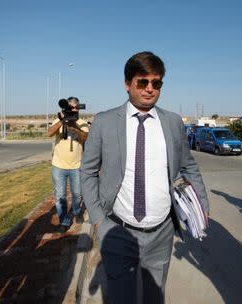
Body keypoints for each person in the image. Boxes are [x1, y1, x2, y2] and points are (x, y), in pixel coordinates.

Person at [80, 51, 209, 304]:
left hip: (161, 232)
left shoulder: (172, 122)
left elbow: (189, 166)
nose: (150, 89)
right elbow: (87, 171)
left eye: (156, 83)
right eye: (143, 82)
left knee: (155, 297)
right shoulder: (105, 122)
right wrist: (98, 221)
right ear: (128, 84)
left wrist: (202, 206)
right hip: (117, 230)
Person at [48, 97, 89, 233]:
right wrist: (61, 121)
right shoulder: (59, 120)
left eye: (75, 108)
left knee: (77, 194)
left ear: (78, 108)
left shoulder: (82, 123)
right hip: (59, 165)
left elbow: (85, 138)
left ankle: (77, 211)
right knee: (60, 195)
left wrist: (74, 126)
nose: (72, 110)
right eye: (69, 108)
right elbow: (49, 133)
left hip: (76, 165)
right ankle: (64, 220)